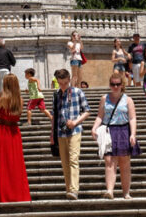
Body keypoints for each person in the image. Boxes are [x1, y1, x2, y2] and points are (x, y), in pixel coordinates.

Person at [91, 71, 140, 199]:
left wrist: (133, 134)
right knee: (109, 161)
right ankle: (110, 191)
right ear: (110, 85)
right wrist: (94, 127)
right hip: (109, 131)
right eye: (113, 84)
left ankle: (126, 192)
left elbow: (132, 118)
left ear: (122, 85)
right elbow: (100, 116)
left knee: (124, 162)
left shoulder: (128, 100)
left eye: (118, 84)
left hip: (124, 130)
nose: (115, 86)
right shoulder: (104, 99)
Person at [0, 73, 31, 202]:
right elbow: (18, 115)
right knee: (16, 164)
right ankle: (18, 193)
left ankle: (2, 194)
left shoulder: (3, 99)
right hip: (14, 132)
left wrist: (1, 115)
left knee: (1, 163)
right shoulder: (20, 100)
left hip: (3, 131)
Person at [51, 68, 90, 200]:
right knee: (65, 162)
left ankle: (74, 190)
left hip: (75, 130)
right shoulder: (56, 94)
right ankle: (69, 189)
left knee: (73, 159)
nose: (63, 86)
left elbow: (87, 111)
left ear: (69, 80)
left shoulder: (78, 92)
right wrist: (52, 134)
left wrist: (75, 122)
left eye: (65, 83)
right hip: (60, 132)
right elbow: (54, 115)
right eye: (60, 83)